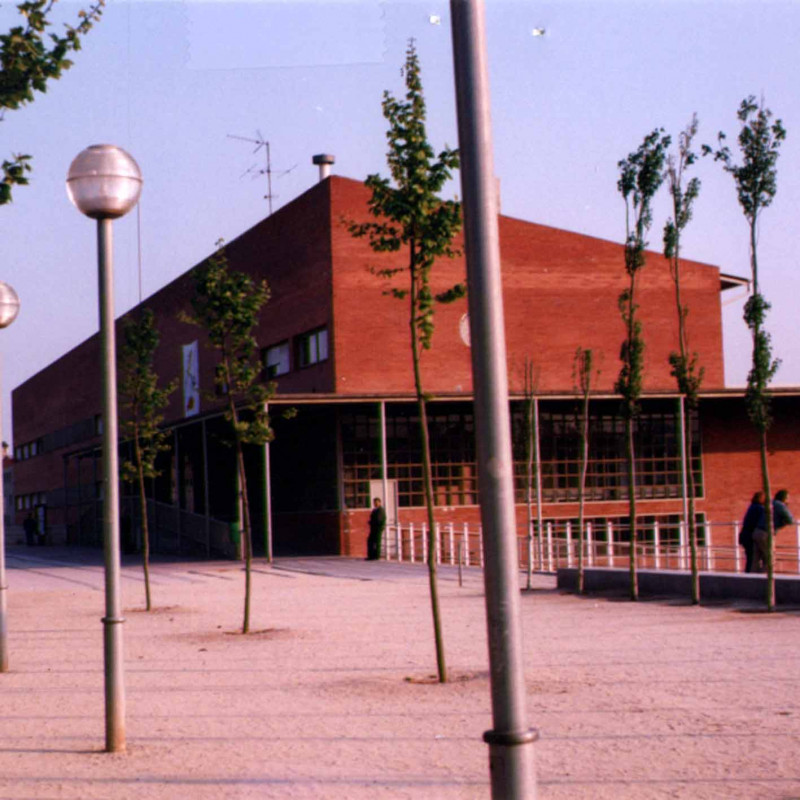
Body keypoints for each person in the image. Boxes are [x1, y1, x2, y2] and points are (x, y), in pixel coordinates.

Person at [752, 489, 794, 572]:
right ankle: (765, 580)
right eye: (788, 498)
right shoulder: (780, 505)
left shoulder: (770, 503)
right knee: (770, 559)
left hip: (757, 532)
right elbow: (790, 520)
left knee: (756, 559)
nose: (789, 501)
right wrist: (781, 524)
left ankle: (752, 579)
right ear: (784, 498)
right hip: (766, 534)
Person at [739, 492, 765, 573]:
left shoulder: (752, 507)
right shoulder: (759, 508)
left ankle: (749, 574)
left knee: (750, 558)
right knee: (752, 558)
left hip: (745, 536)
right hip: (750, 537)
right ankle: (751, 575)